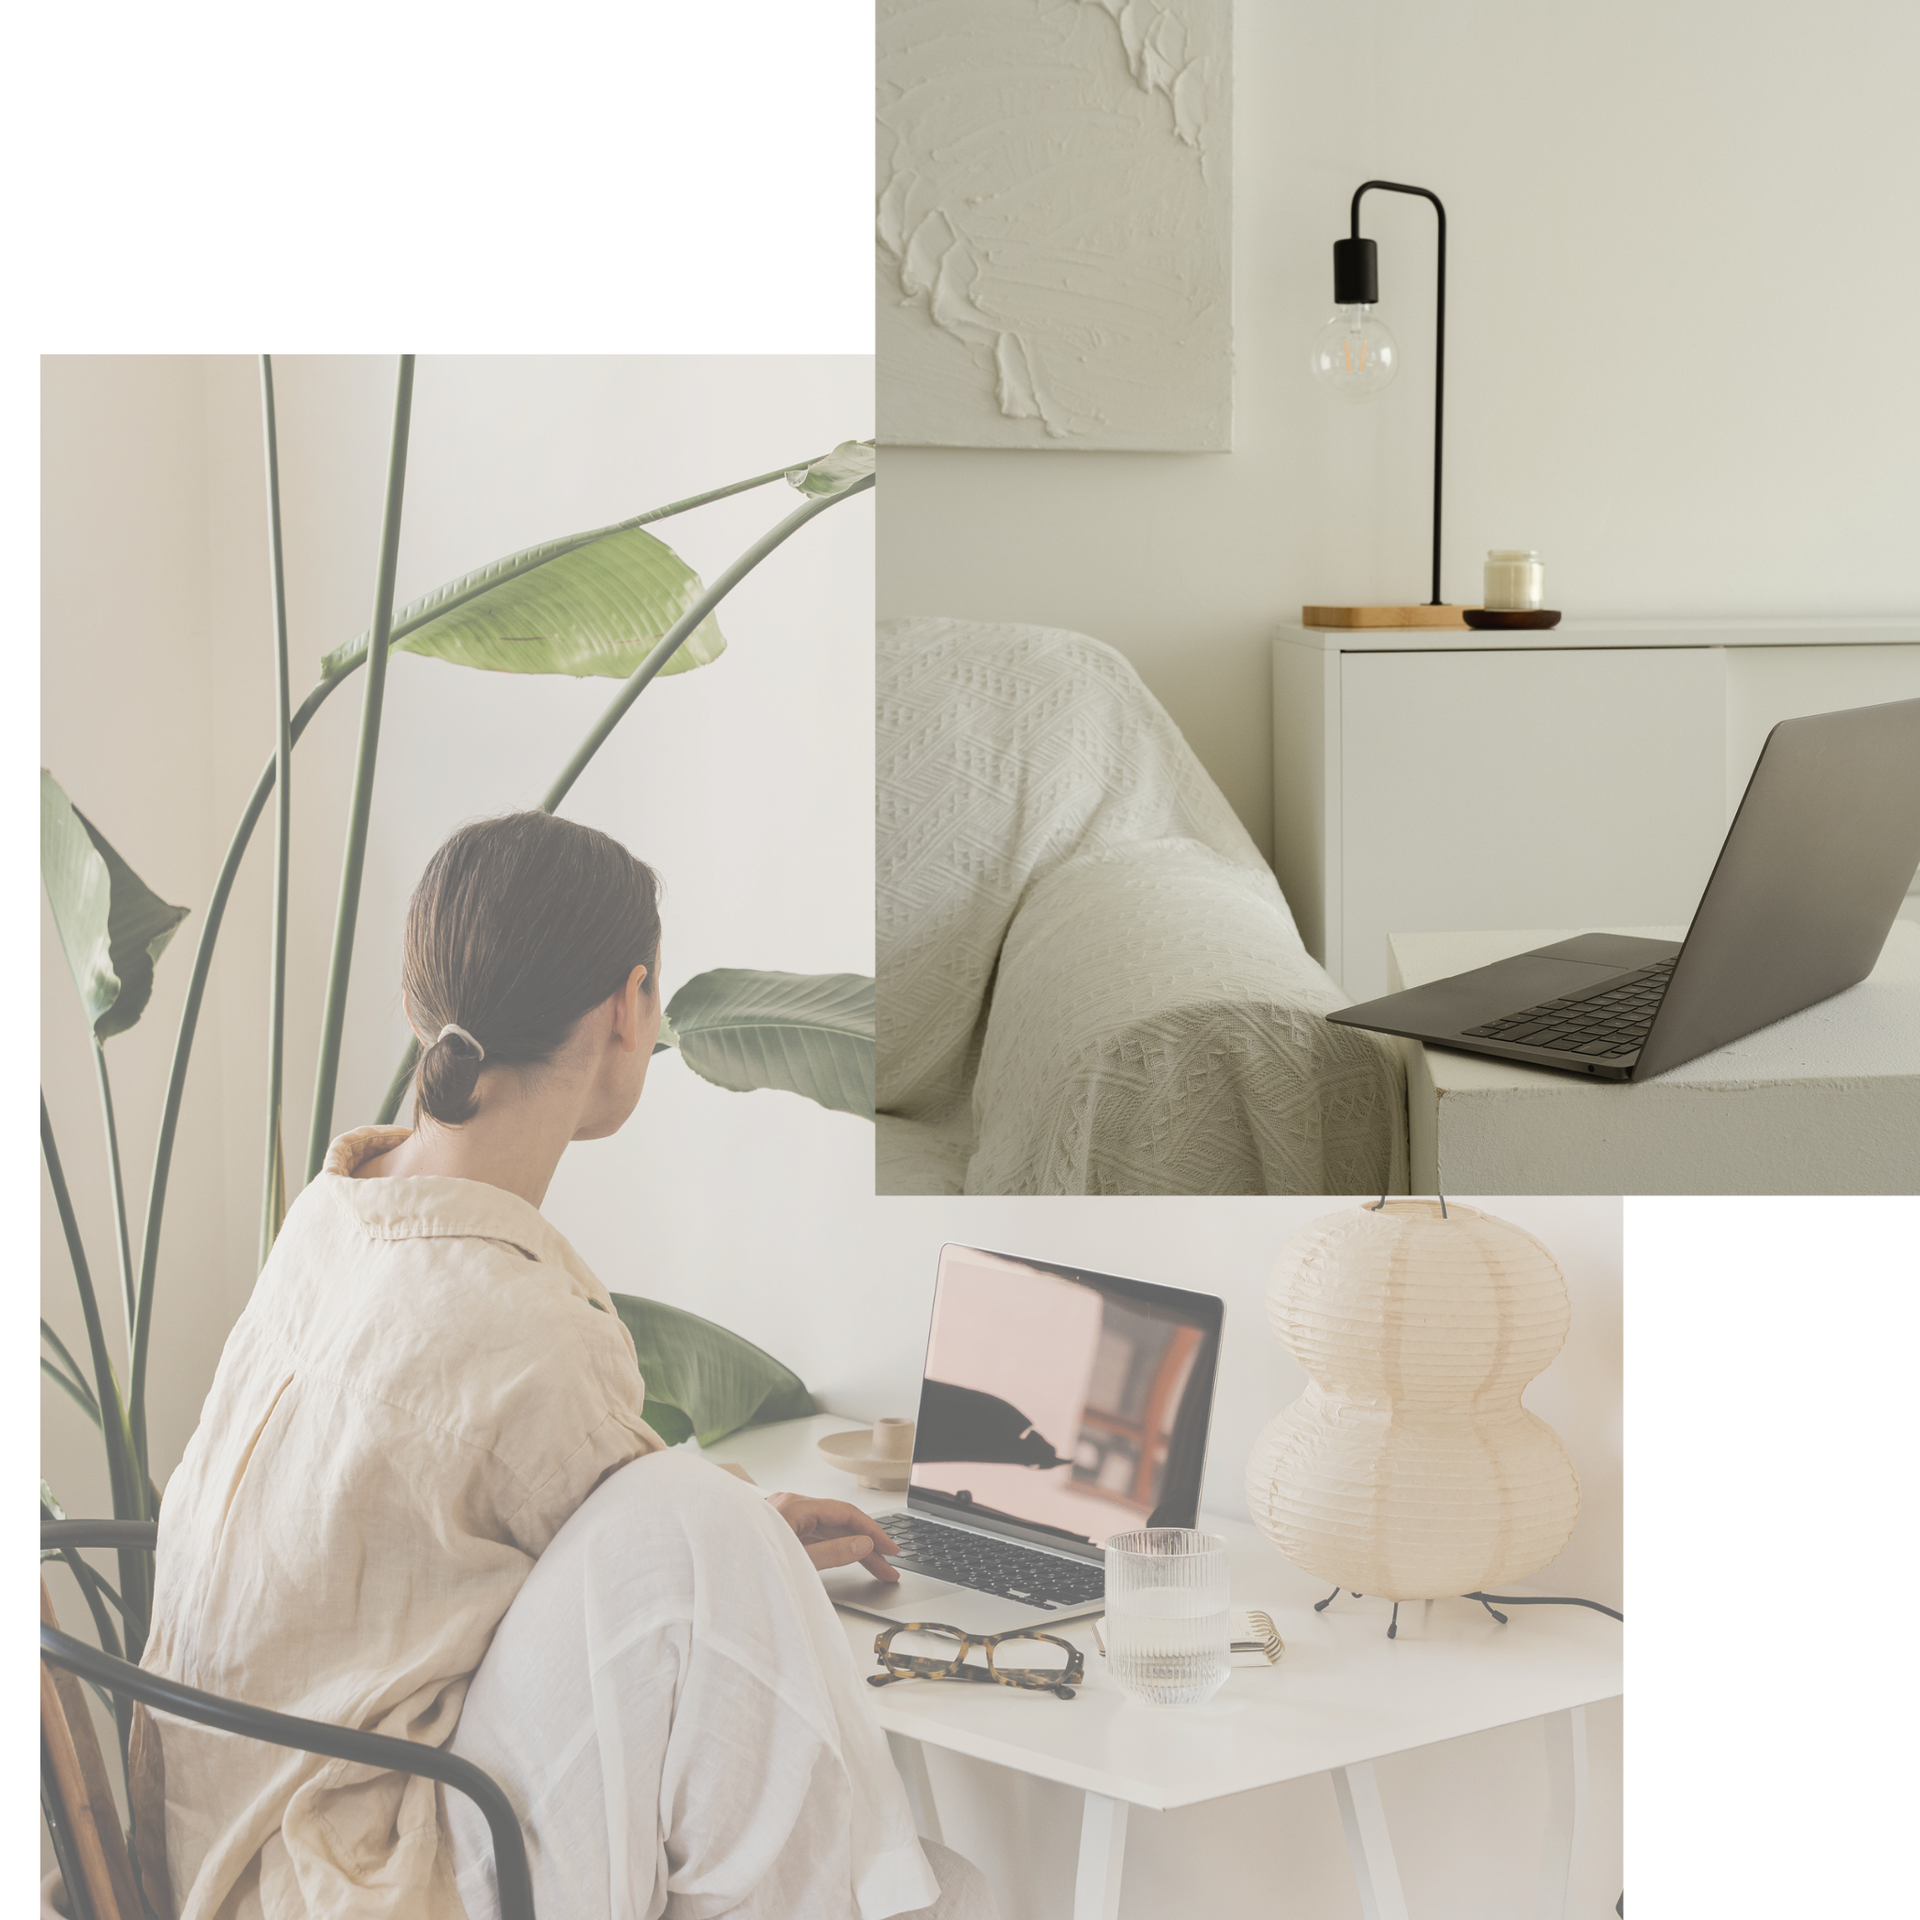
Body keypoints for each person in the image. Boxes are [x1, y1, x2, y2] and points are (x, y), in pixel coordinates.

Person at [137, 812, 993, 1920]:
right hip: (350, 1875)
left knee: (710, 1527)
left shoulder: (336, 1210)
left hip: (205, 1845)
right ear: (630, 1009)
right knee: (704, 1522)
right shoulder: (525, 1321)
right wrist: (740, 1540)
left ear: (417, 1003)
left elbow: (542, 1533)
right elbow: (652, 1551)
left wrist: (743, 1539)